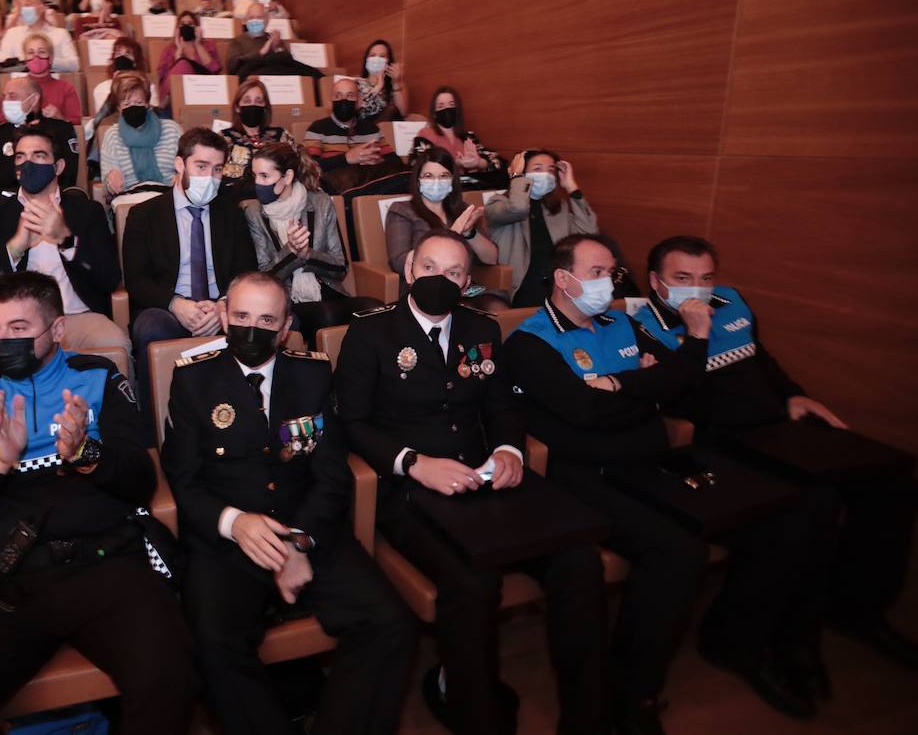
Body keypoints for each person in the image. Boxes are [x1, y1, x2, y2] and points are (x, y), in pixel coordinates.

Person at [503, 233, 822, 731]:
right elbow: (584, 413)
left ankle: (736, 647)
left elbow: (681, 380)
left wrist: (621, 386)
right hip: (588, 472)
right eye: (596, 272)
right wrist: (647, 388)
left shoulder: (623, 323)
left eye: (612, 272)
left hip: (651, 457)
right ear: (563, 278)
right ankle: (633, 696)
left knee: (783, 516)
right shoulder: (531, 340)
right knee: (678, 552)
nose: (609, 281)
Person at [0, 272, 195, 735]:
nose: (4, 339)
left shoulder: (97, 377)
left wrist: (87, 454)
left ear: (57, 331)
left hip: (106, 565)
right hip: (12, 580)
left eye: (20, 329)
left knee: (172, 682)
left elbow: (140, 479)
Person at [337, 231, 608, 735]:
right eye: (431, 268)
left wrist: (508, 449)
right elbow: (352, 423)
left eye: (456, 272)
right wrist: (412, 462)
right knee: (472, 583)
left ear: (467, 281)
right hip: (413, 489)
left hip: (487, 478)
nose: (442, 279)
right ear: (410, 270)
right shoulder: (370, 335)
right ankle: (470, 707)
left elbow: (501, 405)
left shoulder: (480, 328)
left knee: (578, 561)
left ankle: (587, 717)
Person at [635, 235, 918, 669]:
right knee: (814, 505)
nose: (697, 288)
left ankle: (857, 609)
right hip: (725, 438)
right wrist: (695, 336)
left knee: (892, 479)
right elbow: (672, 398)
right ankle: (761, 639)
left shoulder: (731, 302)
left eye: (705, 278)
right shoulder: (640, 325)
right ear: (656, 282)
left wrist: (793, 394)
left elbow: (758, 357)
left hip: (778, 423)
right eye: (683, 278)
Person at [162, 272, 416, 735]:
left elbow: (331, 472)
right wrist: (234, 523)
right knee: (211, 645)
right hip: (229, 541)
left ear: (285, 328)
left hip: (309, 527)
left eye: (266, 320)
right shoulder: (193, 379)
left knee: (391, 624)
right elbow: (183, 480)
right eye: (240, 316)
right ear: (222, 316)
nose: (251, 329)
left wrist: (300, 541)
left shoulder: (312, 373)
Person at [0, 129, 126, 370]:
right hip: (11, 325)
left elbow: (110, 279)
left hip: (76, 318)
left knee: (113, 342)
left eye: (38, 156)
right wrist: (15, 248)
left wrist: (65, 240)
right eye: (20, 157)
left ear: (58, 166)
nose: (27, 164)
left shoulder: (87, 211)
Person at [122, 127, 258, 402]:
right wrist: (176, 304)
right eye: (201, 166)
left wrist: (222, 305)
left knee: (264, 324)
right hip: (166, 308)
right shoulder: (144, 215)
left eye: (217, 169)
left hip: (221, 306)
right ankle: (155, 431)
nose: (209, 177)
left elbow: (246, 272)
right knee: (153, 328)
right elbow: (136, 280)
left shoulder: (231, 213)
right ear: (179, 164)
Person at [245, 142, 380, 343]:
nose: (258, 183)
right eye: (255, 176)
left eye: (265, 176)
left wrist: (306, 254)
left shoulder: (320, 202)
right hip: (286, 299)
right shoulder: (254, 213)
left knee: (375, 309)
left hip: (327, 290)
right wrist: (291, 251)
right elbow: (265, 276)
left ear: (288, 176)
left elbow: (340, 267)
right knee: (326, 315)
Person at [385, 148, 504, 309]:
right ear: (418, 181)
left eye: (443, 176)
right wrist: (454, 232)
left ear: (452, 180)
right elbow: (399, 262)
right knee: (464, 312)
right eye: (429, 176)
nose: (436, 181)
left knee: (496, 306)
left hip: (463, 287)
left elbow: (492, 258)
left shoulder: (462, 209)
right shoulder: (402, 210)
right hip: (424, 288)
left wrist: (470, 233)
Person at [486, 149, 597, 307]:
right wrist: (516, 177)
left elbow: (589, 232)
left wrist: (572, 188)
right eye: (537, 169)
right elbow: (518, 208)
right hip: (520, 286)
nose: (545, 174)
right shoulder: (498, 203)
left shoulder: (558, 208)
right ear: (522, 172)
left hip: (556, 283)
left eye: (551, 170)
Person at [0, 75, 79, 198]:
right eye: (4, 97)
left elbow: (68, 175)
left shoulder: (60, 129)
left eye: (12, 96)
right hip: (6, 201)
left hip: (50, 199)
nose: (6, 102)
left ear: (34, 99)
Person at [302, 77, 400, 195]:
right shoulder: (318, 128)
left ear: (359, 102)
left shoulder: (372, 130)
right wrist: (346, 158)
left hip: (371, 188)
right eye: (338, 96)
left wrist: (378, 160)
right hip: (336, 192)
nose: (344, 100)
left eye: (350, 96)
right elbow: (308, 167)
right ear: (330, 103)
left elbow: (396, 163)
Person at [99, 73, 179, 196]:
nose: (133, 107)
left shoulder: (172, 130)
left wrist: (182, 177)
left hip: (168, 195)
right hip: (130, 197)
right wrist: (111, 181)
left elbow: (188, 166)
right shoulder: (112, 136)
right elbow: (107, 185)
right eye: (126, 104)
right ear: (119, 108)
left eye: (138, 102)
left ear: (147, 104)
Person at [410, 87, 505, 188]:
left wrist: (479, 163)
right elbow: (420, 166)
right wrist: (455, 163)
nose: (447, 109)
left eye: (451, 105)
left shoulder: (467, 137)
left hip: (467, 187)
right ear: (434, 113)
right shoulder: (425, 135)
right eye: (441, 106)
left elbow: (499, 161)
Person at [220, 78, 290, 202]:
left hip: (279, 197)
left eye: (258, 101)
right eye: (247, 101)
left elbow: (296, 167)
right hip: (237, 199)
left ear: (265, 107)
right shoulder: (224, 138)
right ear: (237, 107)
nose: (253, 105)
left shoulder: (282, 135)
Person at [225, 2, 318, 80]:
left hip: (280, 71)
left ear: (267, 20)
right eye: (251, 17)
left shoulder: (273, 37)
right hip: (255, 73)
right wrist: (261, 52)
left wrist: (278, 47)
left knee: (313, 73)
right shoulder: (237, 40)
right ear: (245, 21)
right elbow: (232, 66)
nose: (255, 21)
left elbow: (288, 60)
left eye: (259, 17)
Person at [0, 0, 80, 72]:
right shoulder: (12, 33)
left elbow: (75, 64)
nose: (24, 9)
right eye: (21, 6)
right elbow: (1, 60)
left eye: (28, 5)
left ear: (41, 8)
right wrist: (25, 61)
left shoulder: (60, 34)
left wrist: (48, 61)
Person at [156, 10, 222, 105]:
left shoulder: (208, 45)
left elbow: (214, 69)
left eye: (190, 24)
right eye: (182, 24)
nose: (186, 26)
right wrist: (179, 51)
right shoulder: (169, 49)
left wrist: (198, 44)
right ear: (177, 29)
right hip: (176, 93)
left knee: (183, 63)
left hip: (202, 88)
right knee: (182, 64)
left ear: (197, 28)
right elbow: (163, 77)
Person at [90, 36, 147, 126]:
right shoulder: (101, 88)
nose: (122, 57)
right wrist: (116, 86)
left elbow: (150, 112)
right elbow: (102, 119)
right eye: (118, 54)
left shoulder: (147, 86)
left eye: (127, 54)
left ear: (135, 61)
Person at [356, 40, 407, 124]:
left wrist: (395, 82)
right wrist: (378, 87)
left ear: (388, 62)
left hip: (388, 129)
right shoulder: (357, 83)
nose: (377, 59)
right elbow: (358, 110)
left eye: (382, 56)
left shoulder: (397, 85)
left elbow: (402, 113)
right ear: (366, 59)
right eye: (372, 55)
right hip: (365, 128)